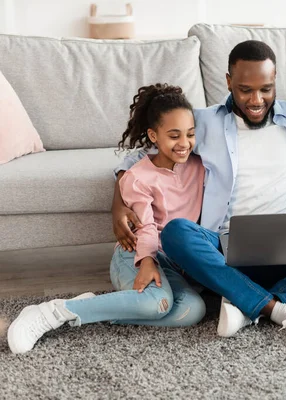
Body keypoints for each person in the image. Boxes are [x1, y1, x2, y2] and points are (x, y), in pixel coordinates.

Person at [112, 41, 286, 339]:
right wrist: (119, 206)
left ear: (276, 78)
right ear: (228, 81)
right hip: (227, 249)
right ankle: (280, 307)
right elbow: (139, 157)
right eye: (245, 89)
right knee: (177, 233)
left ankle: (247, 301)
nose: (256, 99)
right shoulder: (203, 122)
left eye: (265, 88)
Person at [8, 84, 207, 354]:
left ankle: (95, 307)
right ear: (154, 136)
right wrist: (147, 261)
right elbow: (145, 225)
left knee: (193, 310)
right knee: (155, 302)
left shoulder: (200, 166)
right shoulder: (138, 176)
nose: (184, 143)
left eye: (190, 134)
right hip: (135, 254)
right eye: (174, 136)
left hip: (171, 260)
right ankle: (54, 312)